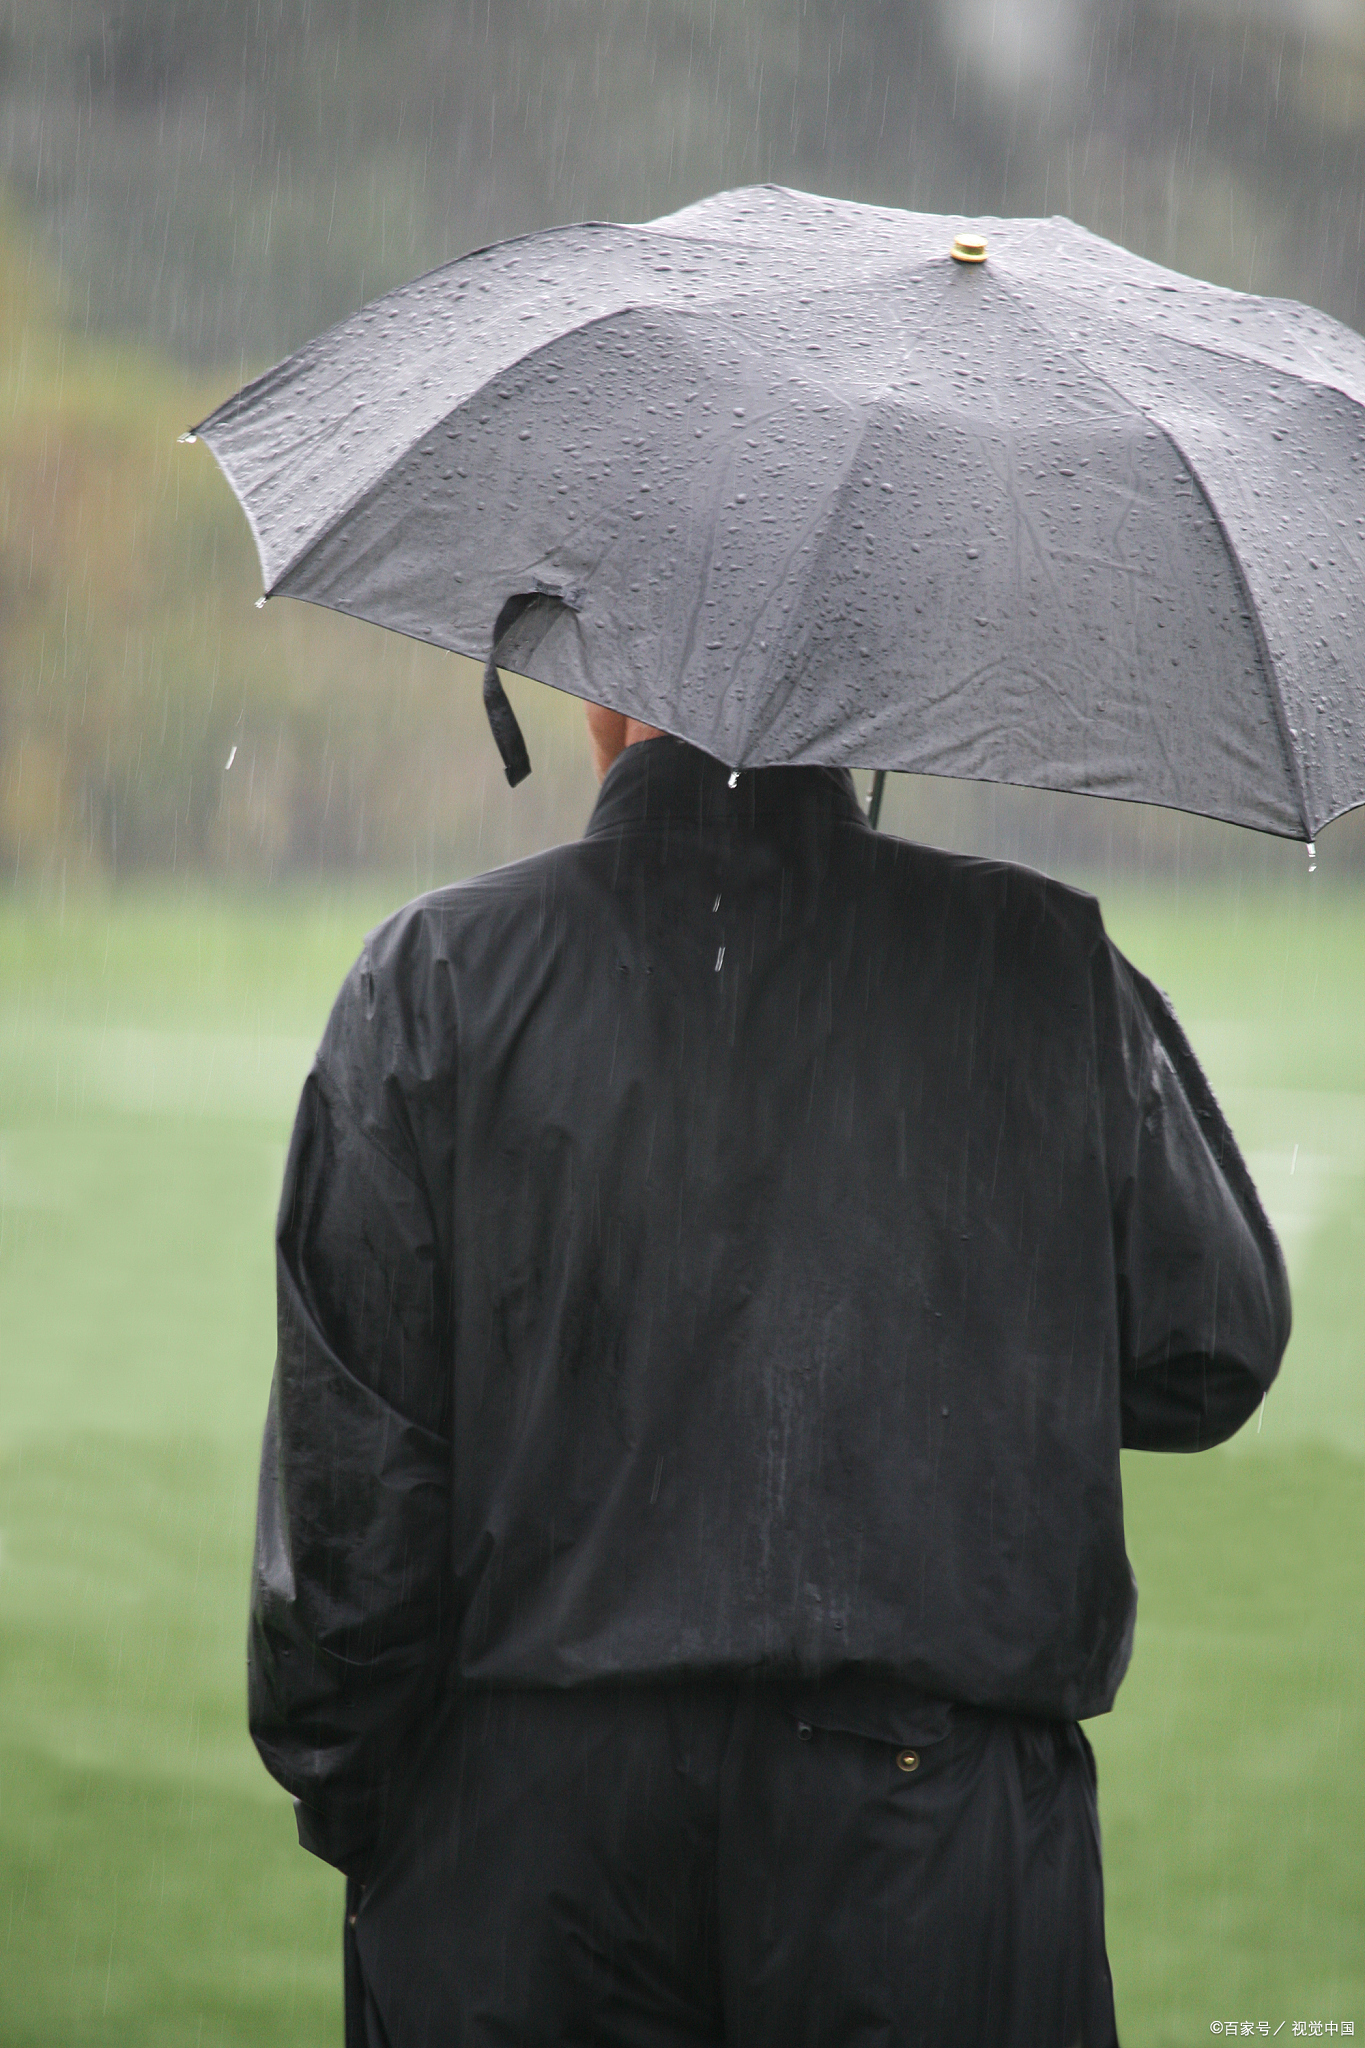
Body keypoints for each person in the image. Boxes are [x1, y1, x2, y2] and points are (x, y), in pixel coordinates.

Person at [250, 705, 1289, 2048]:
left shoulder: (433, 975)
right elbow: (1209, 1345)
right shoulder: (1035, 961)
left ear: (605, 700)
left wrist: (381, 1816)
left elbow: (350, 1502)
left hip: (520, 1831)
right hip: (932, 1828)